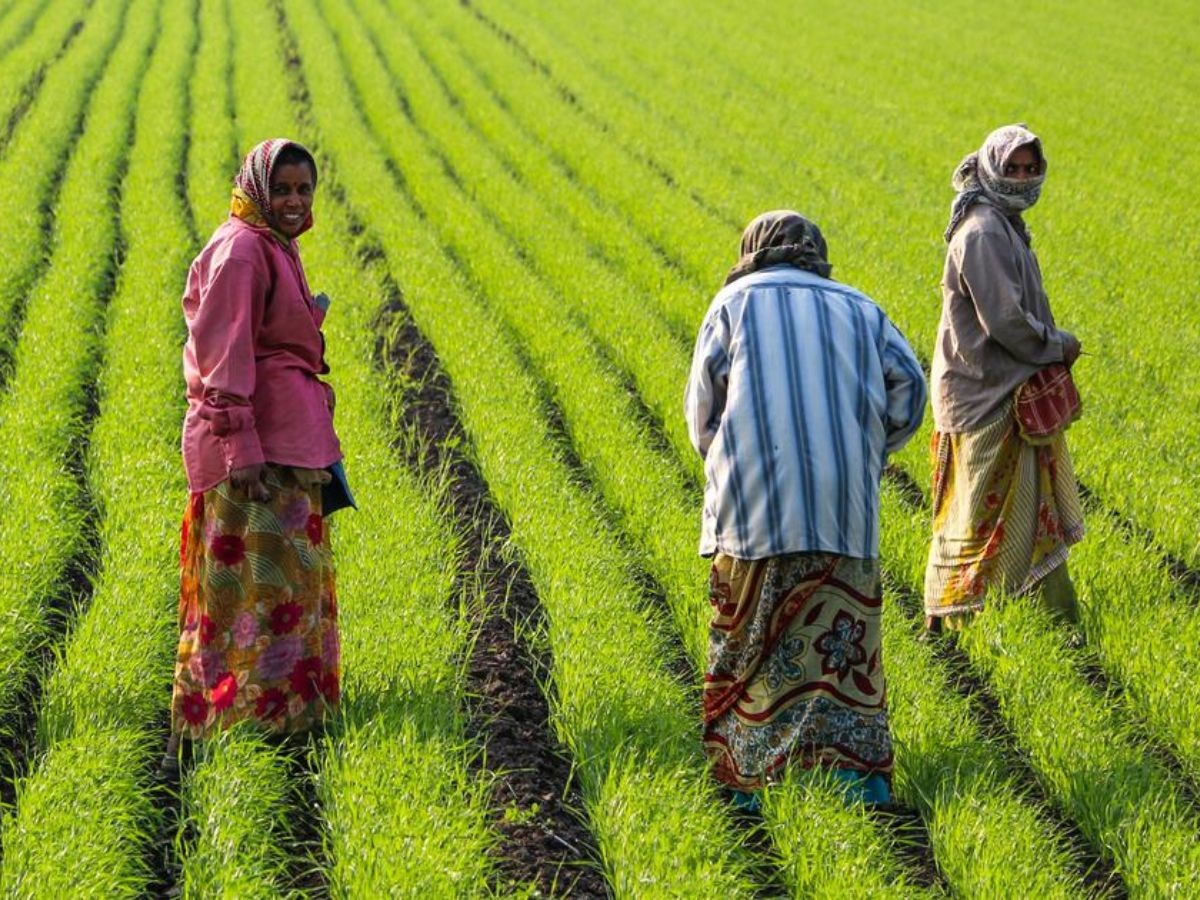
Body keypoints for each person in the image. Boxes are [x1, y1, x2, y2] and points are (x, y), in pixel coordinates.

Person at [685, 210, 926, 810]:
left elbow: (700, 416)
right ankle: (854, 782)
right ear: (816, 252)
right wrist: (865, 448)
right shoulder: (860, 308)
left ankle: (746, 782)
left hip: (752, 509)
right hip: (842, 507)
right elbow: (912, 392)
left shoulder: (732, 304)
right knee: (837, 649)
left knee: (751, 642)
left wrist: (729, 458)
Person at [164, 138, 345, 769]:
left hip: (289, 446)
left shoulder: (272, 242)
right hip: (257, 458)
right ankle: (215, 724)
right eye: (285, 190)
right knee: (240, 593)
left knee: (286, 588)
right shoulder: (242, 252)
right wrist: (241, 449)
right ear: (259, 187)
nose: (295, 202)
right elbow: (222, 360)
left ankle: (280, 721)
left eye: (304, 190)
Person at [923, 124, 1084, 635]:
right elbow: (1006, 323)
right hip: (987, 393)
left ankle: (1044, 620)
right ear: (990, 167)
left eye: (1029, 168)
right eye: (1011, 167)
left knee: (1020, 512)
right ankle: (953, 614)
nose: (1021, 178)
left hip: (999, 389)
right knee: (977, 516)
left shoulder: (1002, 221)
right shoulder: (986, 231)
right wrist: (1058, 344)